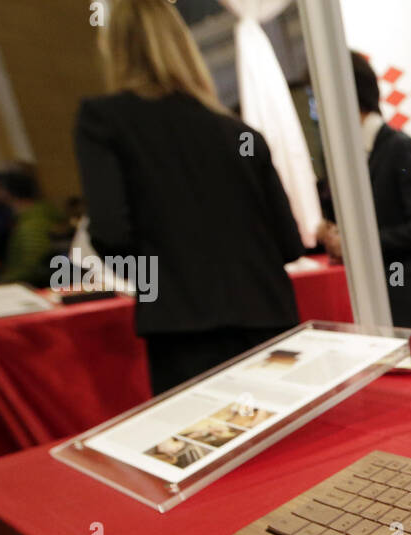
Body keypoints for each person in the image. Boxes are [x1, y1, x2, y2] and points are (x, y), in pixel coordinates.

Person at [74, 0, 304, 395]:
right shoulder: (240, 133)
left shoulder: (104, 120)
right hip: (269, 318)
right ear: (185, 46)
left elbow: (111, 233)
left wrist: (162, 282)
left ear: (115, 48)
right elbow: (288, 243)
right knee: (288, 449)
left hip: (182, 332)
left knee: (200, 448)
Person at [318, 51, 411, 328]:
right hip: (373, 298)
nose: (317, 108)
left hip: (410, 299)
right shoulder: (347, 156)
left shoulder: (400, 149)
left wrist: (355, 243)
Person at [0, 165, 60, 287]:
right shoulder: (40, 216)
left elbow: (31, 267)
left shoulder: (31, 225)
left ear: (7, 193)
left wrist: (1, 285)